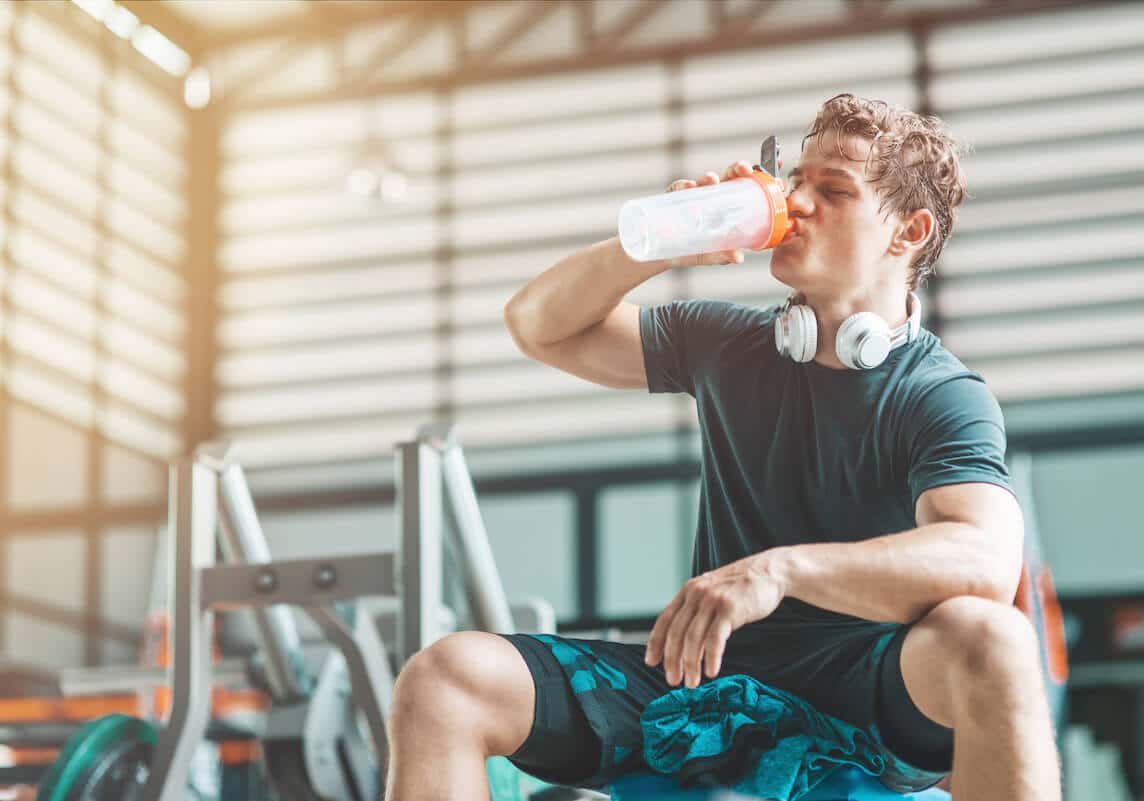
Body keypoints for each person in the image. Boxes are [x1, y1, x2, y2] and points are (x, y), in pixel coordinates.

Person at [385, 94, 1061, 801]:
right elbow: (536, 325)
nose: (797, 202)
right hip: (703, 687)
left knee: (994, 641)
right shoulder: (724, 344)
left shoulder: (940, 393)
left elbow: (984, 560)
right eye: (796, 180)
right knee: (442, 681)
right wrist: (654, 246)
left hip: (870, 693)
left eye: (832, 190)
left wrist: (782, 571)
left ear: (908, 232)